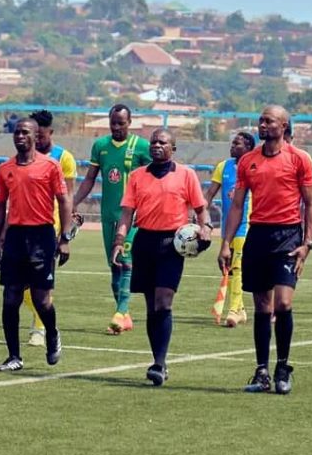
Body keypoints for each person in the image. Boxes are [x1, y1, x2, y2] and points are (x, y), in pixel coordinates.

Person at [219, 105, 312, 395]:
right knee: (262, 307)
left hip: (288, 236)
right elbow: (237, 205)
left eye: (268, 121)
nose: (262, 125)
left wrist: (307, 243)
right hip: (257, 235)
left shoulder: (300, 159)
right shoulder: (248, 161)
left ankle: (283, 367)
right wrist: (225, 243)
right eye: (261, 121)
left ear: (284, 126)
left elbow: (311, 204)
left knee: (283, 304)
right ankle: (262, 371)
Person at [113, 129, 211, 385]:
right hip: (145, 241)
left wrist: (206, 229)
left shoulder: (186, 175)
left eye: (162, 142)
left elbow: (201, 210)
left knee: (163, 301)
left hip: (172, 244)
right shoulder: (136, 177)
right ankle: (159, 361)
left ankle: (159, 362)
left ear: (173, 148)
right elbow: (127, 214)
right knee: (150, 306)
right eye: (153, 142)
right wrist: (119, 241)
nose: (157, 145)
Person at [0, 118, 72, 370]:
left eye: (25, 132)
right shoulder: (5, 169)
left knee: (41, 300)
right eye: (17, 132)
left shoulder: (50, 166)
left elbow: (64, 200)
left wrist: (65, 238)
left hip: (42, 236)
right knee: (10, 298)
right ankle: (14, 356)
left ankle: (52, 333)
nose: (20, 136)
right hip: (15, 236)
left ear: (36, 136)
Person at [72, 104, 151, 335]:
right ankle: (124, 315)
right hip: (108, 215)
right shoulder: (101, 146)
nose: (116, 127)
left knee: (125, 261)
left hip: (131, 216)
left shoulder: (141, 147)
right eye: (113, 123)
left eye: (121, 123)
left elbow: (151, 179)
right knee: (114, 266)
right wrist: (74, 202)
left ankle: (120, 311)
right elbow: (89, 179)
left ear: (130, 122)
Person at [20, 109, 78, 347]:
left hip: (49, 228)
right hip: (23, 227)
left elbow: (69, 195)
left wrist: (65, 231)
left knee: (41, 284)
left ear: (49, 132)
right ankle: (43, 323)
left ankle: (40, 328)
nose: (37, 138)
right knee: (21, 286)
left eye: (41, 135)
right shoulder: (23, 156)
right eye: (34, 134)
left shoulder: (63, 158)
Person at [204, 131, 256, 327]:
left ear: (248, 148)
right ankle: (240, 309)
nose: (232, 146)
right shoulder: (223, 166)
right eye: (232, 142)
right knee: (229, 267)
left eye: (237, 143)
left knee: (237, 266)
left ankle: (234, 309)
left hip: (245, 225)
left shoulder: (253, 167)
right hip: (227, 227)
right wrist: (200, 210)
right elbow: (210, 193)